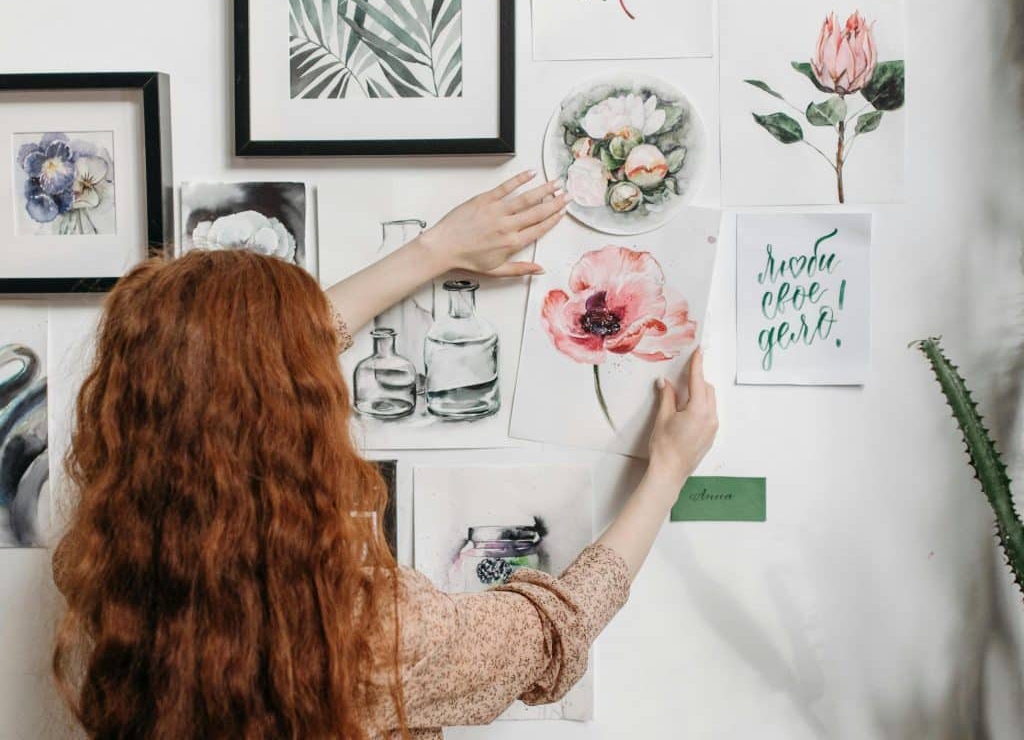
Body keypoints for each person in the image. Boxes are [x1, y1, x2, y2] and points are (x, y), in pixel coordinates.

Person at [52, 172, 718, 740]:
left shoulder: (105, 571)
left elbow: (236, 371)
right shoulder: (368, 632)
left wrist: (434, 250)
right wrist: (665, 472)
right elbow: (550, 631)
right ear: (296, 415)